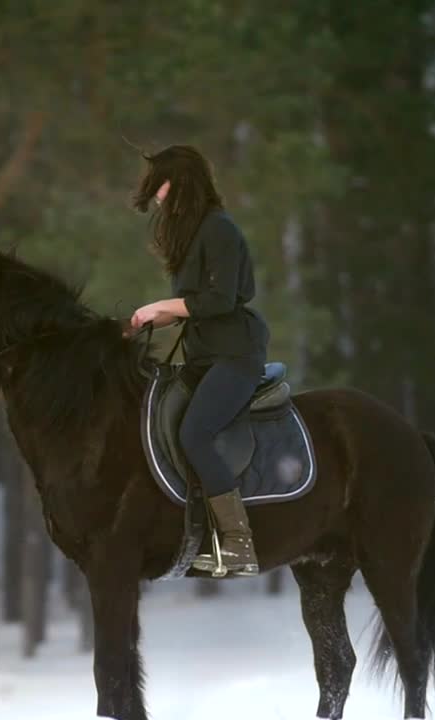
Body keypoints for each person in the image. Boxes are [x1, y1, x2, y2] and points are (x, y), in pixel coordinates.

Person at [128, 144, 270, 577]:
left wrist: (160, 307)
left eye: (161, 185)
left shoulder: (219, 230)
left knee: (195, 433)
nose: (157, 196)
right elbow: (190, 306)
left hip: (235, 355)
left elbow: (219, 300)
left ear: (182, 184)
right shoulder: (194, 237)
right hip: (204, 355)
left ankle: (239, 544)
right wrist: (140, 321)